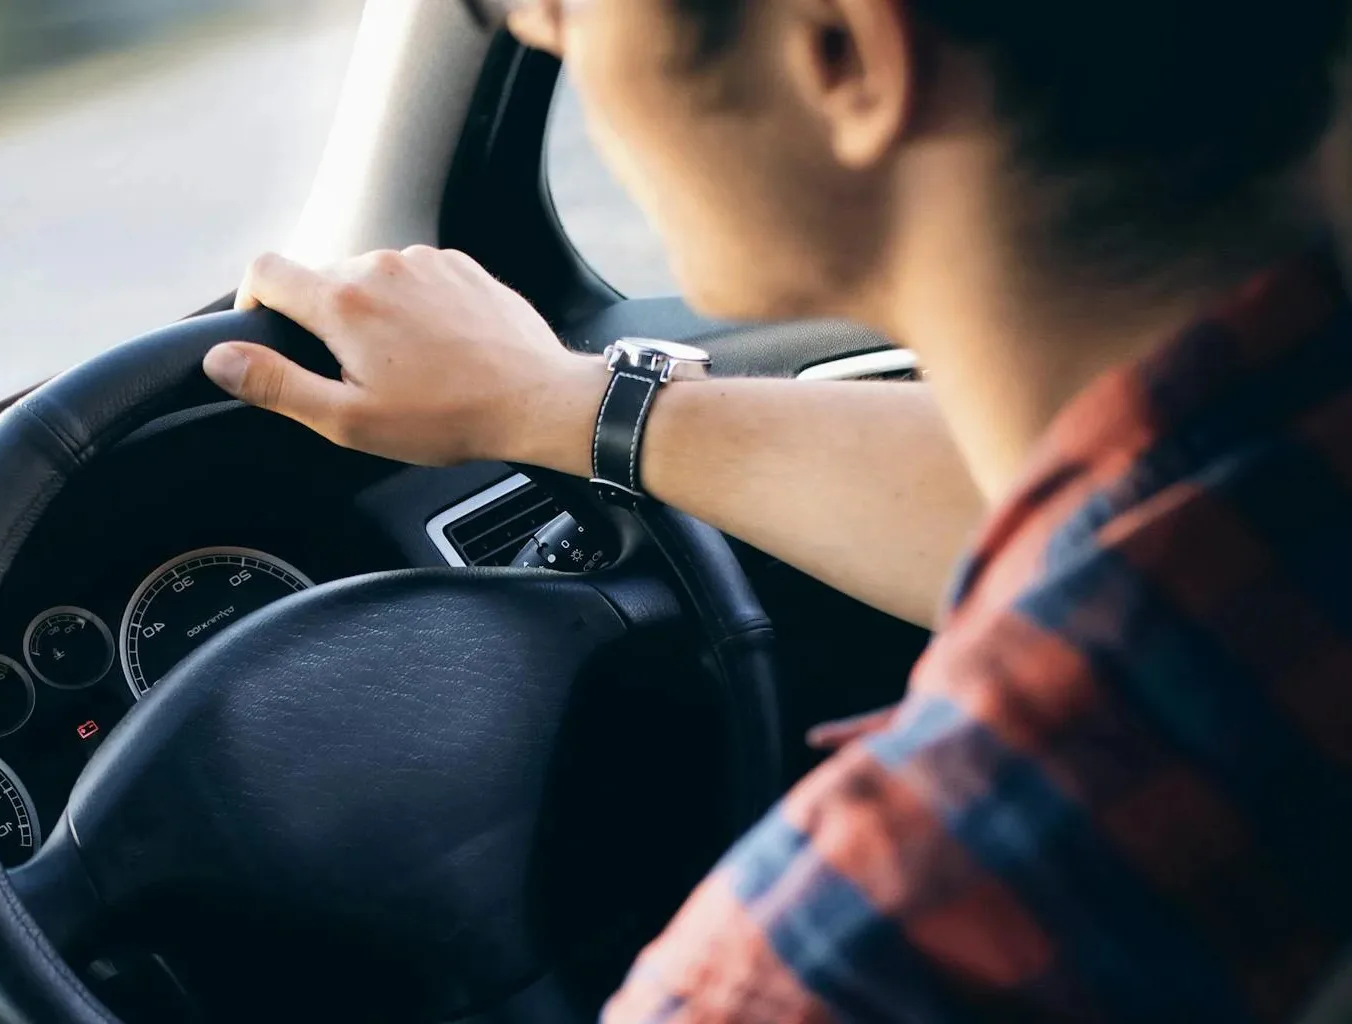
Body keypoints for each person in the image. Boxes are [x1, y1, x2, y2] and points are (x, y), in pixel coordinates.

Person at [200, 0, 1352, 1019]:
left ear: (840, 51)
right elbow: (1100, 499)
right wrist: (557, 404)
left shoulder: (838, 969)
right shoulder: (1269, 488)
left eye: (566, 4)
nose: (538, 27)